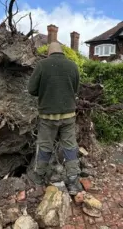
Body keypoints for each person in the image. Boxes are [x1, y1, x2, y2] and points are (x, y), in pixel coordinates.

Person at [27, 42, 83, 195]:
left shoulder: (42, 65)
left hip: (47, 116)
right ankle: (73, 181)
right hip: (69, 116)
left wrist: (45, 92)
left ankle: (38, 180)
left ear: (49, 53)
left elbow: (31, 89)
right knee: (70, 146)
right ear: (62, 52)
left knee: (45, 146)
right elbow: (76, 88)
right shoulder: (73, 66)